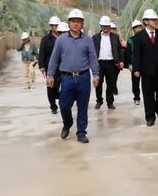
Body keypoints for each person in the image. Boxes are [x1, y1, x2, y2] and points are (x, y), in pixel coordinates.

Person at [47, 9, 99, 143]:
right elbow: (54, 58)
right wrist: (50, 75)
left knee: (83, 107)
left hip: (83, 77)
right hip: (67, 78)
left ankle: (81, 133)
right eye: (73, 21)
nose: (76, 24)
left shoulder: (88, 40)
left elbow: (93, 58)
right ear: (69, 23)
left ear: (82, 24)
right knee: (64, 105)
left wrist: (96, 74)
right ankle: (67, 123)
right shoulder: (61, 40)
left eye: (78, 21)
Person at [132, 9, 158, 127]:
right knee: (148, 95)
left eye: (156, 20)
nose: (155, 21)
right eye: (153, 20)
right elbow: (137, 54)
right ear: (146, 21)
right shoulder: (139, 36)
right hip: (146, 71)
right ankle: (150, 117)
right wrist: (136, 69)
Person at [92, 16, 123, 110]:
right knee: (98, 83)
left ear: (109, 26)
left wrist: (121, 61)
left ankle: (110, 102)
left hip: (111, 63)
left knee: (111, 84)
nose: (105, 28)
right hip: (99, 63)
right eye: (103, 26)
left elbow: (119, 50)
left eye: (107, 26)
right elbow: (92, 51)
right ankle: (99, 100)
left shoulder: (115, 37)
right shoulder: (95, 37)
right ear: (100, 26)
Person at [39, 16, 61, 113]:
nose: (55, 27)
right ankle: (53, 107)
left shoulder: (64, 37)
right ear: (51, 26)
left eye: (56, 25)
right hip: (50, 67)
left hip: (62, 67)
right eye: (53, 25)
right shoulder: (46, 39)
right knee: (50, 87)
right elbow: (42, 53)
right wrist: (42, 66)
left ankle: (62, 101)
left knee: (62, 86)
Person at [124, 19, 144, 105]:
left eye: (139, 27)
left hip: (145, 64)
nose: (138, 29)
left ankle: (148, 97)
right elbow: (128, 53)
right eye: (136, 27)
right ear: (133, 29)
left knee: (147, 82)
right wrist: (129, 64)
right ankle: (136, 97)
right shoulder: (131, 40)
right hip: (135, 64)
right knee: (135, 83)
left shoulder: (145, 38)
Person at [110, 22, 122, 96]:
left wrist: (121, 61)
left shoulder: (117, 37)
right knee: (110, 77)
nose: (112, 30)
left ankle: (114, 87)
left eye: (114, 29)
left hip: (117, 61)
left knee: (115, 76)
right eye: (111, 29)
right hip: (109, 61)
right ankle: (113, 89)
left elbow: (120, 50)